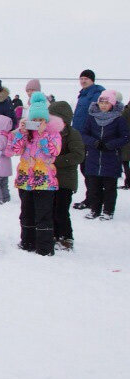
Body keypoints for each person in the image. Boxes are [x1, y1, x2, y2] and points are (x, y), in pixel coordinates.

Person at [6, 92, 61, 256]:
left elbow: (53, 152)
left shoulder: (53, 134)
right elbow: (14, 150)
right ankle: (27, 242)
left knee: (43, 214)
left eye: (40, 120)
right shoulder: (26, 134)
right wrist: (21, 132)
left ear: (46, 120)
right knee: (26, 212)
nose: (37, 123)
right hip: (25, 180)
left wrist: (43, 135)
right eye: (34, 120)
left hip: (45, 181)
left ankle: (44, 248)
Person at [79, 90, 129, 220]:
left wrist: (110, 144)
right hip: (93, 157)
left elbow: (125, 137)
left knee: (110, 187)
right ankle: (95, 209)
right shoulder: (91, 117)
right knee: (94, 186)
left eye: (107, 102)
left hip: (111, 158)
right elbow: (84, 134)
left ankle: (108, 211)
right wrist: (94, 142)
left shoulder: (119, 119)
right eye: (101, 102)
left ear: (112, 104)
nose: (103, 105)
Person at [48, 100, 85, 251]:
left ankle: (66, 236)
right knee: (50, 208)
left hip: (65, 180)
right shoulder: (49, 133)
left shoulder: (72, 134)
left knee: (61, 210)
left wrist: (55, 161)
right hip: (50, 178)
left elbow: (78, 155)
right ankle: (54, 234)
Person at [72, 70, 106, 209]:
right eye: (81, 78)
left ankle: (94, 199)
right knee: (85, 168)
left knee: (89, 169)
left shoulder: (97, 94)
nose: (83, 81)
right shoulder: (83, 94)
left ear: (92, 80)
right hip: (80, 137)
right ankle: (92, 197)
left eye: (86, 78)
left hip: (90, 137)